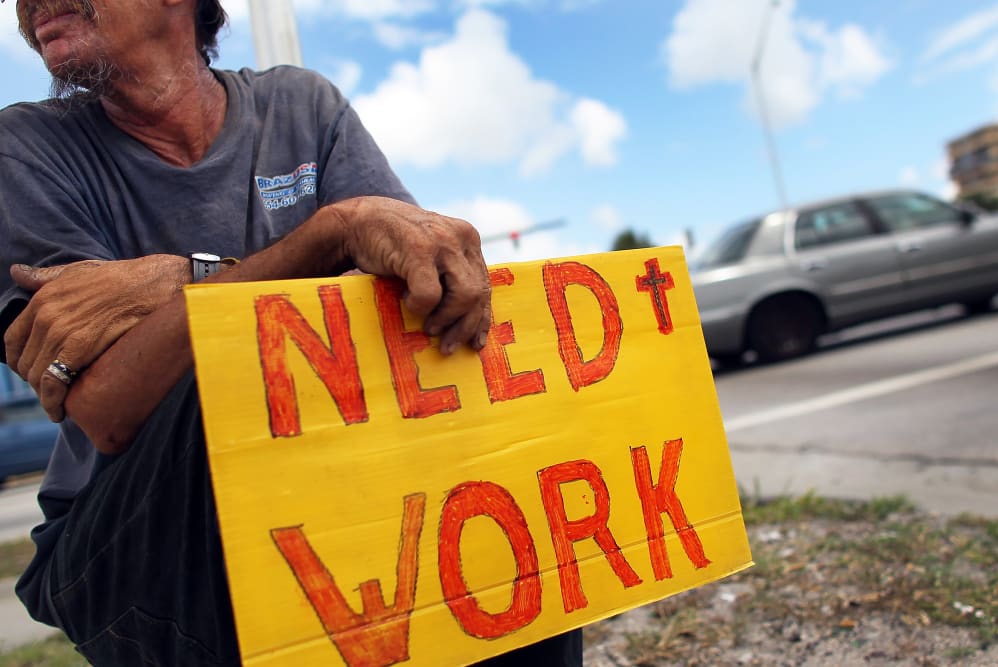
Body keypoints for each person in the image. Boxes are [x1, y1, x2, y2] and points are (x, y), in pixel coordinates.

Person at [0, 0, 583, 665]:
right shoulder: (25, 149)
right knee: (219, 385)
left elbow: (420, 298)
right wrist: (329, 235)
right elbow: (108, 407)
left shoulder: (303, 108)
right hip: (126, 533)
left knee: (505, 482)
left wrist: (183, 282)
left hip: (332, 491)